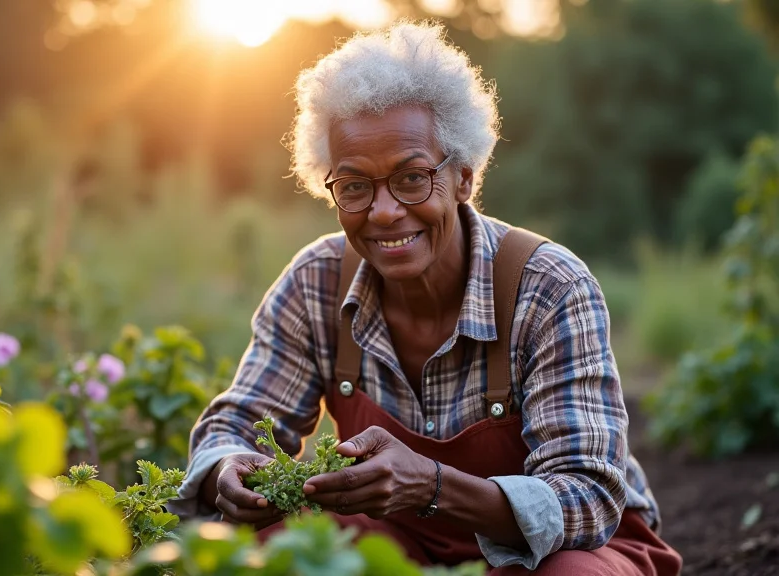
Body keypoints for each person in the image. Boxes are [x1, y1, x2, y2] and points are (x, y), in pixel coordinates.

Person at [168, 20, 682, 575]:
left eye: (412, 178)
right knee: (274, 546)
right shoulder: (316, 283)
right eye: (355, 185)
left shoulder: (548, 287)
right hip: (397, 542)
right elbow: (237, 422)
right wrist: (228, 469)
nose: (385, 211)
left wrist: (432, 486)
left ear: (463, 178)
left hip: (560, 551)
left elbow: (587, 497)